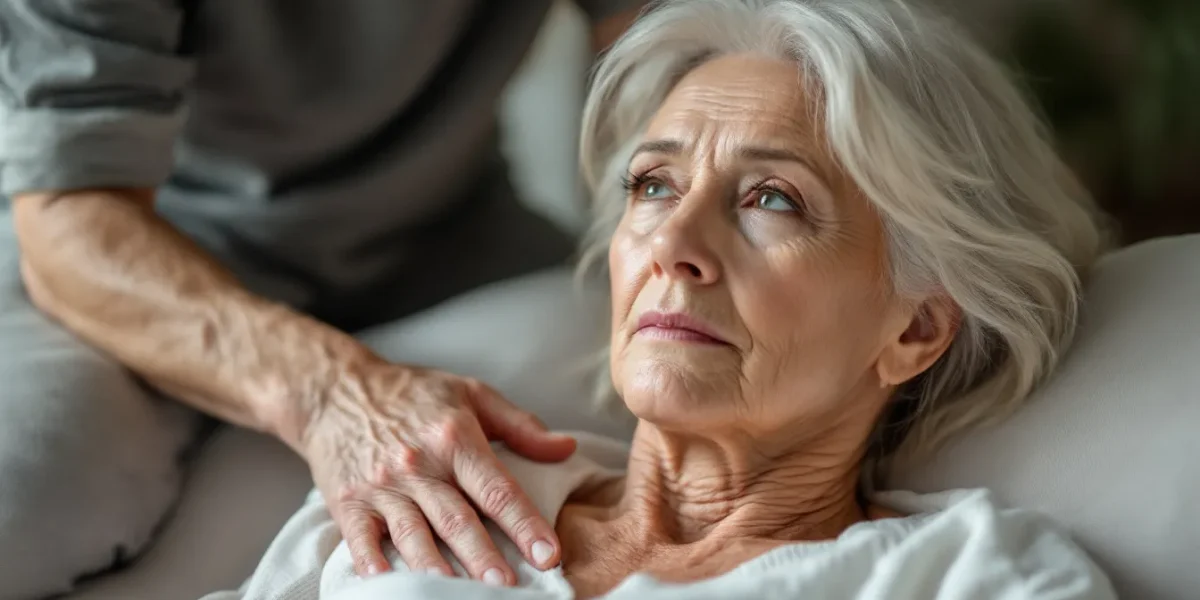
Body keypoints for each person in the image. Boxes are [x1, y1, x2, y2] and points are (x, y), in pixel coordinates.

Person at [199, 0, 1119, 598]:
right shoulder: (421, 501)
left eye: (772, 200)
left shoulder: (972, 576)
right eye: (653, 186)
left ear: (916, 327)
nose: (674, 247)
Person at [0, 1, 644, 598]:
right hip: (141, 253)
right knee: (23, 506)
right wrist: (333, 391)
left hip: (448, 234)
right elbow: (72, 209)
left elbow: (655, 34)